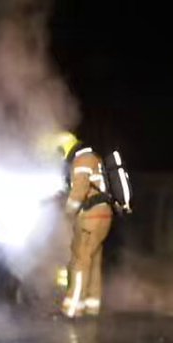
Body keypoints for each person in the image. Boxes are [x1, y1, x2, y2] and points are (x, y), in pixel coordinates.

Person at [53, 131, 113, 319]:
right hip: (101, 215)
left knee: (80, 261)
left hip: (92, 216)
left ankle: (71, 310)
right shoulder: (91, 157)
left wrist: (67, 213)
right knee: (92, 262)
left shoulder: (82, 160)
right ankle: (91, 308)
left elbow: (79, 192)